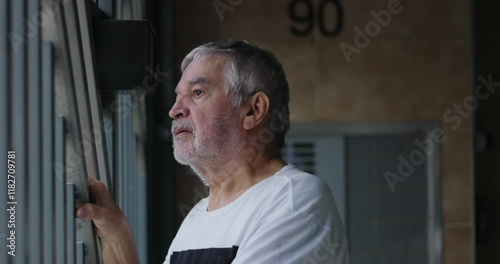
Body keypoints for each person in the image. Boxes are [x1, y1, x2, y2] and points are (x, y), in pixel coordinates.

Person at [76, 39, 349, 263]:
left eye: (197, 93)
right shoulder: (198, 216)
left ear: (253, 111)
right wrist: (118, 239)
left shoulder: (294, 200)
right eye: (177, 96)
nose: (174, 111)